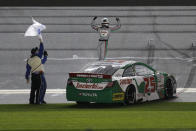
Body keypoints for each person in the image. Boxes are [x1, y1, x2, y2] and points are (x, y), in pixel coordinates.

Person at [25, 35, 48, 104]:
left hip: (33, 76)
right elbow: (42, 50)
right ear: (35, 52)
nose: (38, 51)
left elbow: (28, 70)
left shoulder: (29, 60)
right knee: (41, 87)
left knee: (33, 88)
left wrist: (27, 78)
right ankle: (39, 100)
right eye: (37, 51)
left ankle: (31, 101)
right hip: (40, 75)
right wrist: (41, 41)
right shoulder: (38, 57)